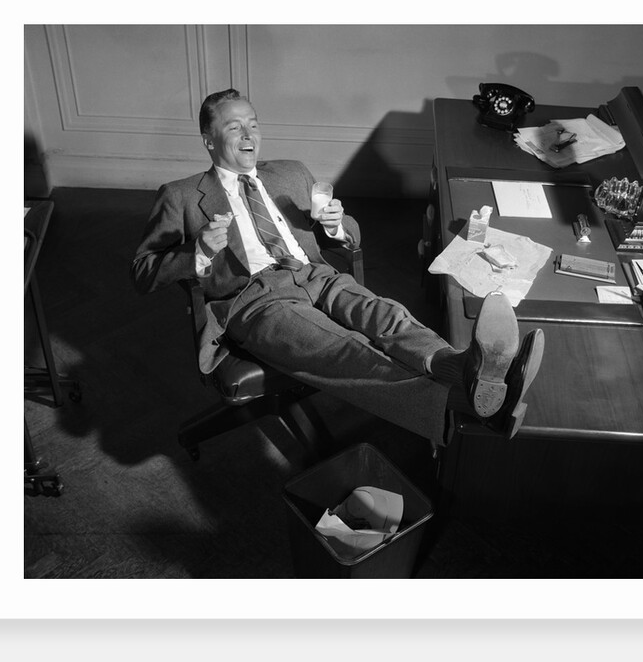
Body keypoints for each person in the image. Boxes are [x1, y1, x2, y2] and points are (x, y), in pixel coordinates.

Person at [131, 89, 544, 448]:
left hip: (315, 273)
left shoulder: (290, 172)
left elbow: (351, 236)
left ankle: (464, 368)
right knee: (345, 348)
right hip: (253, 299)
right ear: (209, 140)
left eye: (253, 125)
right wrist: (198, 252)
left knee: (387, 317)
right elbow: (143, 272)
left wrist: (336, 226)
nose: (248, 135)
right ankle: (470, 402)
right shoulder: (181, 196)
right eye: (234, 127)